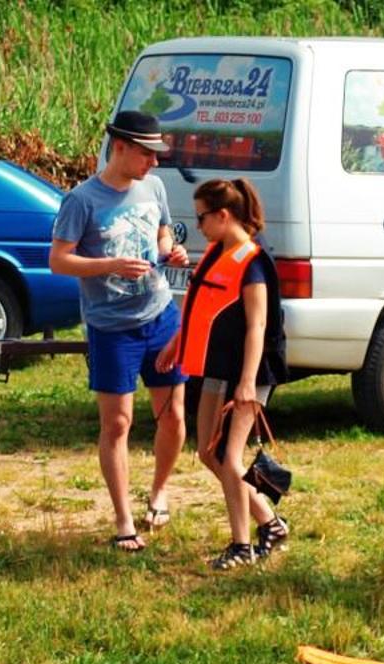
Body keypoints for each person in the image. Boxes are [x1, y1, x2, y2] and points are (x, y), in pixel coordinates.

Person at [47, 110, 190, 552]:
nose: (155, 163)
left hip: (160, 315)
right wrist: (110, 265)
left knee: (174, 416)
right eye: (148, 154)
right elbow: (59, 260)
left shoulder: (154, 187)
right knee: (118, 423)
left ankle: (159, 491)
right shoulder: (82, 200)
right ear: (121, 147)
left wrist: (172, 252)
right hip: (112, 328)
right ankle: (124, 520)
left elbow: (163, 234)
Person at [156, 178, 289, 571]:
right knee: (207, 453)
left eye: (201, 218)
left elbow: (257, 326)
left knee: (230, 458)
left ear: (223, 215)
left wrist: (248, 383)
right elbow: (203, 304)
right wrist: (176, 343)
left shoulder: (253, 262)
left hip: (247, 373)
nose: (197, 227)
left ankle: (241, 545)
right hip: (216, 367)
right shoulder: (217, 251)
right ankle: (270, 523)